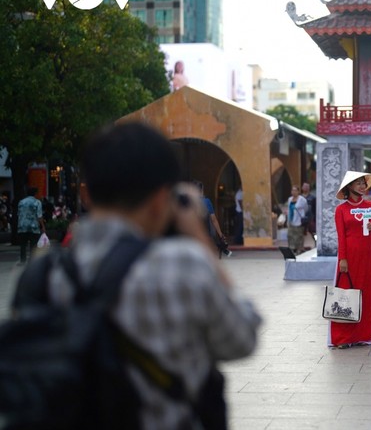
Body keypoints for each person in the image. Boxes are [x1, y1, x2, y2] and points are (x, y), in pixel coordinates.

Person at [13, 122, 261, 428]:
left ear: (86, 194)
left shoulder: (44, 273)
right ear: (161, 199)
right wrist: (199, 239)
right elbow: (241, 338)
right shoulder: (183, 265)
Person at [329, 171, 371, 349]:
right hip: (349, 256)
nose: (362, 186)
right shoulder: (341, 210)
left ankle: (363, 335)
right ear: (349, 187)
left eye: (363, 183)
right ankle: (342, 337)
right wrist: (342, 258)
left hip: (368, 256)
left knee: (367, 293)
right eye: (358, 183)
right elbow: (341, 237)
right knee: (346, 295)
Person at [196, 181, 230, 258]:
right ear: (202, 190)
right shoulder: (206, 202)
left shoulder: (189, 202)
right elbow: (213, 219)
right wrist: (221, 235)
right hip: (206, 233)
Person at [16, 186, 45, 266]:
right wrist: (43, 226)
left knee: (23, 245)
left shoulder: (21, 202)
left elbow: (19, 214)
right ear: (35, 193)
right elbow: (39, 216)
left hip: (22, 226)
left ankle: (23, 260)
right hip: (33, 227)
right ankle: (32, 261)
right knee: (33, 245)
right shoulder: (37, 202)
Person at [286, 185, 309, 254]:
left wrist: (302, 215)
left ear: (298, 191)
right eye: (292, 190)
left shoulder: (302, 199)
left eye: (295, 190)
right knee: (290, 235)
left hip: (299, 220)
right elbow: (289, 209)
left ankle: (299, 248)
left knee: (299, 236)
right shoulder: (290, 199)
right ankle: (292, 248)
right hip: (291, 220)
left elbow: (306, 208)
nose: (293, 192)